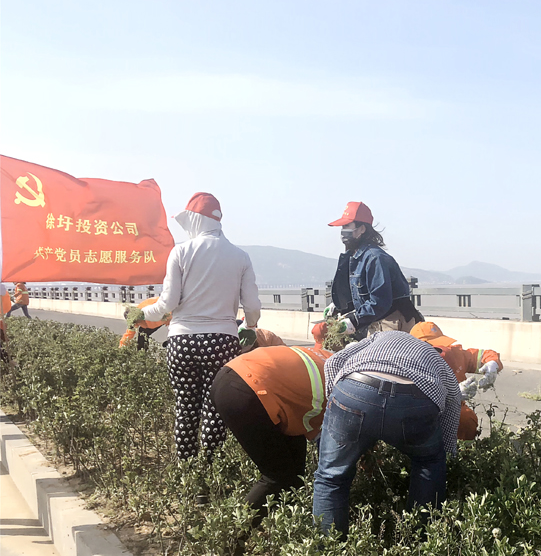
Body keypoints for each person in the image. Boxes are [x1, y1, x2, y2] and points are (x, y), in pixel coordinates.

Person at [138, 192, 261, 464]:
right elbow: (252, 305)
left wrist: (140, 314)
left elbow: (167, 304)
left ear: (195, 220)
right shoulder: (240, 257)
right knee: (215, 409)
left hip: (182, 341)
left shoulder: (181, 252)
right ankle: (210, 470)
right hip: (222, 342)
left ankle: (187, 471)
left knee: (185, 408)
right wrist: (250, 326)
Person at [312, 330, 460, 538]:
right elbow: (453, 400)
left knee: (330, 478)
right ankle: (419, 542)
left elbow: (333, 362)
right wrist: (447, 450)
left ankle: (328, 547)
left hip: (356, 389)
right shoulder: (435, 357)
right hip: (414, 401)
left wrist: (337, 412)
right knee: (429, 463)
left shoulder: (381, 336)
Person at [211, 343, 332, 529]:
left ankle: (284, 530)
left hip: (234, 377)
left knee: (295, 475)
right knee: (278, 475)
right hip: (248, 390)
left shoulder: (327, 358)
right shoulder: (342, 386)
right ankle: (233, 537)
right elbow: (329, 442)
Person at [325, 202, 423, 338]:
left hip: (392, 323)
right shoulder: (355, 257)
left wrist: (354, 320)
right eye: (342, 227)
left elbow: (380, 301)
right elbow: (358, 293)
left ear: (362, 229)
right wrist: (338, 306)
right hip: (376, 322)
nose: (343, 231)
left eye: (347, 226)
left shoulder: (375, 258)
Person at [410, 321, 503, 440]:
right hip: (422, 414)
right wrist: (452, 394)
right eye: (432, 347)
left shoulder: (452, 354)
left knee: (465, 419)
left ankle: (464, 449)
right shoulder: (408, 366)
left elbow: (480, 355)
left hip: (455, 412)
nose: (438, 351)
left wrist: (492, 364)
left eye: (439, 346)